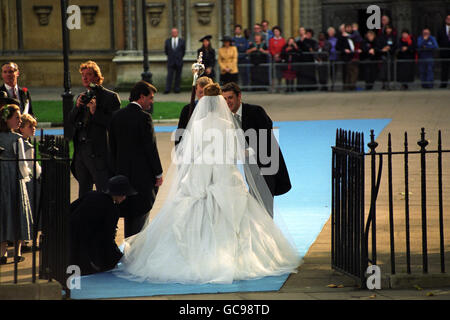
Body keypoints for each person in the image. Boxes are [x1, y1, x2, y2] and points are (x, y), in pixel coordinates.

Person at [114, 83, 300, 284]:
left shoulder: (198, 124)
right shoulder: (227, 122)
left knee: (192, 211)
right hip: (223, 174)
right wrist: (250, 152)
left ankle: (193, 254)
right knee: (235, 213)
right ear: (220, 100)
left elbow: (188, 152)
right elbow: (233, 152)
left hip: (200, 174)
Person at [221, 82, 292, 212]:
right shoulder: (226, 118)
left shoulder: (256, 111)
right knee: (254, 206)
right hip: (249, 169)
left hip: (266, 165)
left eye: (230, 97)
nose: (227, 102)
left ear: (239, 96)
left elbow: (266, 138)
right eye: (224, 99)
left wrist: (247, 152)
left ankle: (267, 232)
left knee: (265, 206)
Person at [109, 81, 163, 238]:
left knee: (129, 219)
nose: (152, 101)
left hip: (122, 178)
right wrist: (158, 174)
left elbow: (112, 149)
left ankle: (128, 252)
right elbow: (150, 148)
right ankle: (137, 257)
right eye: (150, 98)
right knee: (140, 222)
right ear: (141, 97)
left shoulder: (116, 117)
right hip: (142, 179)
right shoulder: (144, 118)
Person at [68, 61, 121, 198]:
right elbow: (71, 121)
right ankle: (85, 219)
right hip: (81, 152)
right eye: (83, 75)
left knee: (103, 192)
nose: (85, 78)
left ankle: (103, 218)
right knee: (83, 194)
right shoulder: (82, 96)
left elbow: (113, 124)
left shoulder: (111, 97)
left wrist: (94, 112)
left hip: (99, 153)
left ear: (97, 77)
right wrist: (77, 107)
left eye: (89, 75)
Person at [69, 175, 135, 275]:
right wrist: (118, 257)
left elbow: (70, 209)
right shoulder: (112, 209)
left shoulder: (91, 194)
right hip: (83, 244)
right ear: (118, 194)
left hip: (68, 237)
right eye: (123, 194)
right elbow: (107, 238)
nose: (125, 198)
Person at [0, 104, 33, 264]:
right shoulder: (17, 139)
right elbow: (22, 163)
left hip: (2, 178)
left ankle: (3, 252)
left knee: (4, 210)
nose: (20, 120)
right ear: (7, 119)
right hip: (13, 177)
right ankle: (18, 251)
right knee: (17, 209)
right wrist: (27, 176)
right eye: (17, 117)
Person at [17, 113, 41, 251]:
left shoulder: (27, 143)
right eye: (30, 126)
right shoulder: (23, 144)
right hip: (28, 180)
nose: (33, 129)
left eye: (34, 126)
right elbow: (28, 165)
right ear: (21, 128)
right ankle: (27, 240)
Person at [175, 76, 213, 147]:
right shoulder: (187, 109)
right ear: (195, 91)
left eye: (206, 93)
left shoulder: (217, 108)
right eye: (201, 92)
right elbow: (180, 132)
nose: (204, 96)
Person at [336, 24, 362, 90]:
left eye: (350, 28)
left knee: (354, 72)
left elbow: (359, 41)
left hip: (354, 56)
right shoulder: (341, 37)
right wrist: (344, 50)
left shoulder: (353, 36)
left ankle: (352, 85)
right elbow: (338, 47)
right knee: (346, 72)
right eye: (347, 28)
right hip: (346, 57)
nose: (349, 29)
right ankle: (346, 86)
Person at [164, 28, 186, 94]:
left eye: (175, 32)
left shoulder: (181, 41)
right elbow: (166, 51)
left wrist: (179, 57)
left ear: (177, 33)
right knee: (169, 76)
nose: (174, 33)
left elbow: (183, 51)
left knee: (178, 76)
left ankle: (177, 89)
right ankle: (168, 89)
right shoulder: (168, 41)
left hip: (179, 61)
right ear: (171, 33)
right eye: (173, 32)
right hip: (170, 61)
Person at [378, 25, 397, 90]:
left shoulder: (393, 37)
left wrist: (390, 48)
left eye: (389, 29)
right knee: (383, 70)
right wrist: (383, 48)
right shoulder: (382, 37)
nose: (388, 30)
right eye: (387, 29)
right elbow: (379, 45)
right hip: (384, 56)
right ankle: (384, 84)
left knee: (391, 70)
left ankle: (391, 85)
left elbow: (395, 46)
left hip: (391, 55)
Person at [269, 26, 286, 92]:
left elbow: (283, 48)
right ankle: (273, 87)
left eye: (277, 31)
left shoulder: (282, 40)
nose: (276, 33)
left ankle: (279, 86)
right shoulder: (271, 40)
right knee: (273, 73)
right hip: (274, 59)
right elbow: (271, 48)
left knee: (280, 73)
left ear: (280, 32)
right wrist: (275, 55)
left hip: (280, 58)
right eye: (275, 31)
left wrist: (279, 55)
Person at [437, 15, 450, 88]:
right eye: (448, 19)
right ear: (445, 20)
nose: (449, 20)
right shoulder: (441, 29)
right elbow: (438, 39)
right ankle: (443, 83)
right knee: (444, 68)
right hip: (444, 52)